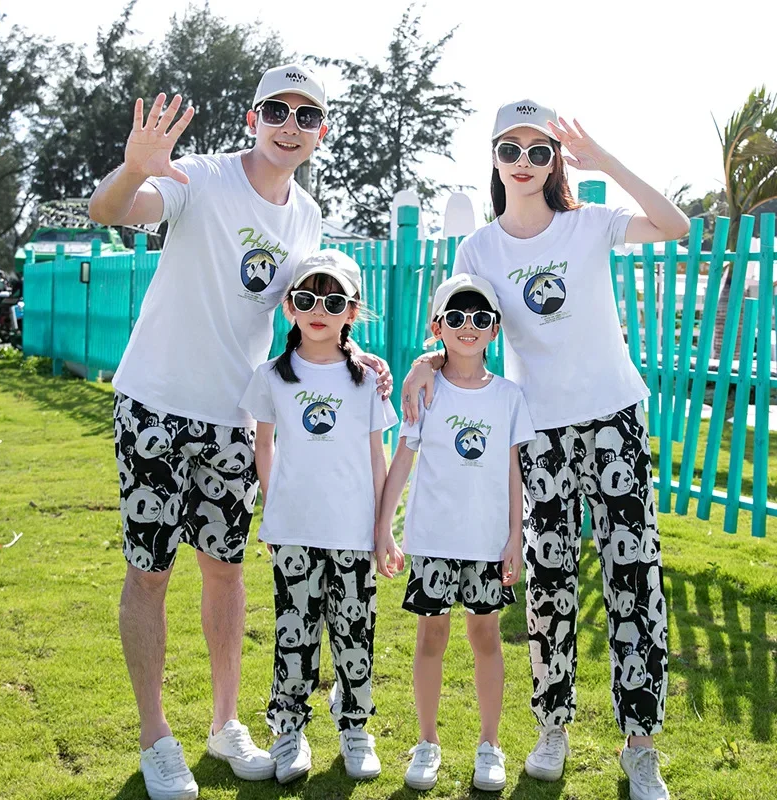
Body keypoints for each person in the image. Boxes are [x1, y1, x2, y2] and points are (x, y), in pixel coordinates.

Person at [88, 63, 391, 800]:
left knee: (225, 570)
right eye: (277, 110)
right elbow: (111, 212)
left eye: (308, 115)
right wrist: (133, 170)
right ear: (253, 118)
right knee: (150, 573)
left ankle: (225, 727)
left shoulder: (309, 216)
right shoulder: (199, 178)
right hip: (156, 405)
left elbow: (303, 314)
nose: (292, 125)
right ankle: (156, 736)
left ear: (322, 132)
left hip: (234, 417)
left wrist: (355, 355)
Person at [400, 100, 689, 800]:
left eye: (538, 151)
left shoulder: (589, 224)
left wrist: (606, 161)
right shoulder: (480, 250)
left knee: (632, 576)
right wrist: (426, 363)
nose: (524, 163)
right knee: (550, 583)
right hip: (541, 431)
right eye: (510, 150)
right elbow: (460, 330)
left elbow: (677, 226)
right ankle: (552, 727)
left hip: (614, 418)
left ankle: (639, 744)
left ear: (554, 160)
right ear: (494, 160)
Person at [240, 250, 398, 784]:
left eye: (333, 301)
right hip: (294, 530)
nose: (319, 311)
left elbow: (378, 457)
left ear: (350, 311)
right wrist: (273, 507)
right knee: (294, 631)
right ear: (289, 306)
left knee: (355, 631)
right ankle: (288, 728)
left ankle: (354, 724)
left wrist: (383, 529)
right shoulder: (272, 376)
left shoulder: (368, 379)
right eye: (307, 298)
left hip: (353, 530)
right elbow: (264, 448)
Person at [378, 274, 535, 792]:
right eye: (457, 317)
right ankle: (427, 743)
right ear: (438, 327)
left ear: (495, 331)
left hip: (488, 543)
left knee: (486, 635)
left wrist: (516, 537)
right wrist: (385, 526)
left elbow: (514, 472)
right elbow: (404, 457)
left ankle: (490, 745)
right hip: (432, 541)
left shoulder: (510, 398)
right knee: (432, 636)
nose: (469, 326)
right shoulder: (426, 391)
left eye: (481, 319)